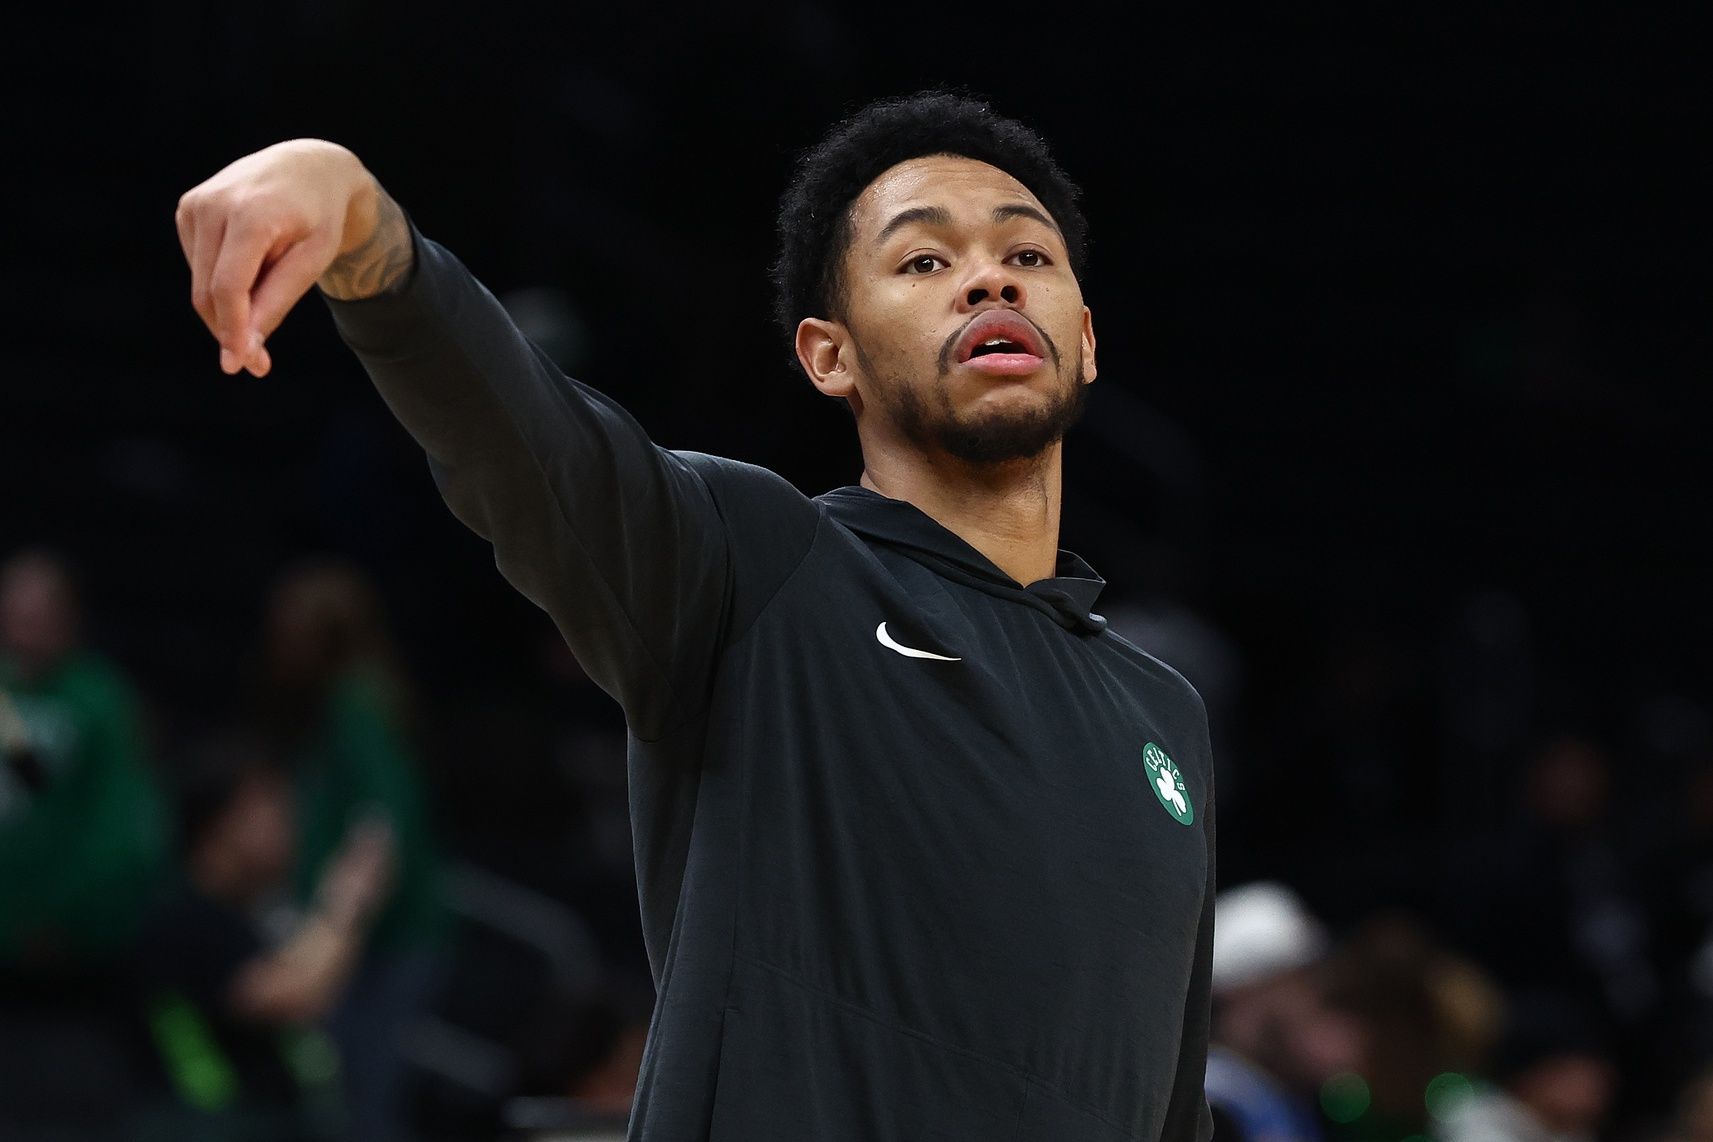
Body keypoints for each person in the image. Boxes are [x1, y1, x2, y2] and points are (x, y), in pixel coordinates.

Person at [175, 91, 1218, 1140]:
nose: (990, 276)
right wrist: (370, 237)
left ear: (1083, 340)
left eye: (1028, 256)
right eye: (923, 262)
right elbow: (540, 449)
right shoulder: (770, 563)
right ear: (829, 355)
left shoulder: (1164, 717)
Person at [255, 558, 448, 1141]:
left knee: (362, 1105)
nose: (278, 647)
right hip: (374, 943)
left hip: (382, 945)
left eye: (291, 635)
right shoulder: (347, 701)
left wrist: (330, 929)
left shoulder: (356, 706)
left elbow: (380, 827)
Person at [135, 730, 395, 1140]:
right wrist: (349, 900)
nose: (290, 823)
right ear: (223, 822)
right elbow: (291, 993)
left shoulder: (244, 913)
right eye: (271, 806)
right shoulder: (185, 918)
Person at [1204, 882, 1364, 1142]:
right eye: (1302, 976)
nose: (1315, 993)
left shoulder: (1271, 1091)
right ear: (1249, 990)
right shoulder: (1217, 1105)